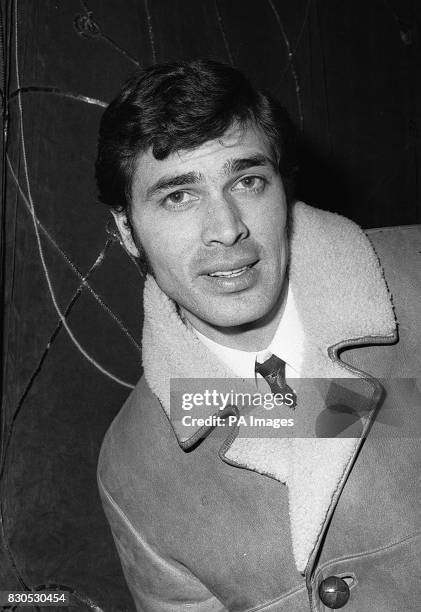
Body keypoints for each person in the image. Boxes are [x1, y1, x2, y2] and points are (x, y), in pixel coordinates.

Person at [96, 60, 420, 611]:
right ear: (128, 231)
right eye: (179, 196)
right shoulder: (134, 473)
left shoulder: (412, 276)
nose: (227, 229)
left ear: (282, 187)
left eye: (247, 181)